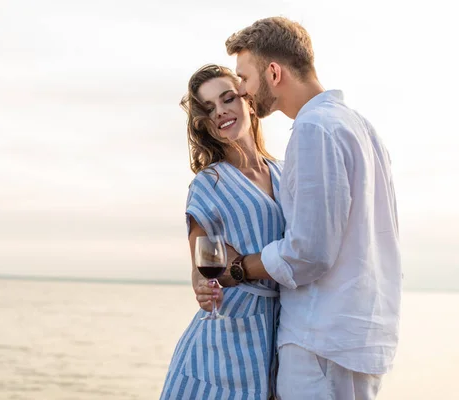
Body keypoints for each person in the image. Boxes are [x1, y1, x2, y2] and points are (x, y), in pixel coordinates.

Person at [215, 17, 402, 399]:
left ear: (273, 72)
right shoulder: (361, 127)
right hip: (359, 337)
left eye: (245, 79)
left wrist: (238, 267)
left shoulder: (314, 128)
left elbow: (310, 251)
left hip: (322, 341)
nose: (244, 93)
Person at [159, 64, 285, 400]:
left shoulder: (287, 174)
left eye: (228, 99)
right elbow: (202, 269)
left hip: (282, 339)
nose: (221, 112)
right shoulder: (208, 184)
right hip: (221, 347)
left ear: (249, 102)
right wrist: (204, 289)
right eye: (209, 109)